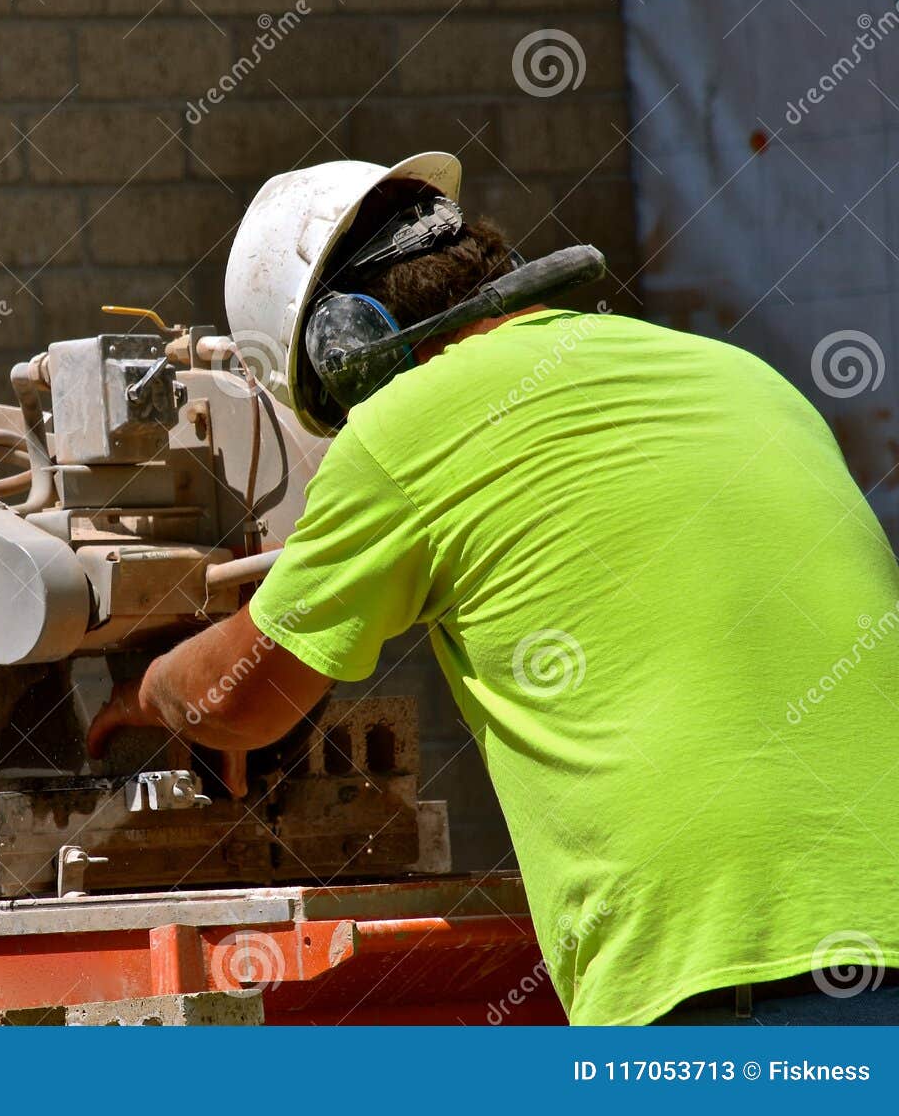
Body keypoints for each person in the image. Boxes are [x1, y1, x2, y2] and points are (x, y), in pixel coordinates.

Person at [87, 154, 899, 1026]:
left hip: (720, 975)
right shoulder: (736, 374)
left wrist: (143, 692)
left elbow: (237, 699)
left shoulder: (407, 428)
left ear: (342, 347)